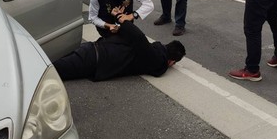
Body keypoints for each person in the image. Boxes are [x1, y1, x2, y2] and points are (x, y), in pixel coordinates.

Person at [53, 19, 186, 81]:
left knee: (51, 69)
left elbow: (139, 38)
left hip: (97, 57)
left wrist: (124, 20)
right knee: (51, 63)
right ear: (172, 61)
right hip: (97, 53)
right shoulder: (156, 55)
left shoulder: (157, 59)